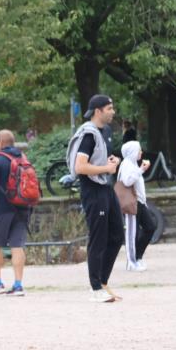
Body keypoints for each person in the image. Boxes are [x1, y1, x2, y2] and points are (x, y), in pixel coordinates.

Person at [67, 94, 123, 303]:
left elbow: (101, 160)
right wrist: (106, 168)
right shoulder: (88, 134)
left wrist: (112, 161)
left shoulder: (105, 131)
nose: (113, 111)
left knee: (117, 234)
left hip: (106, 188)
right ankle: (95, 287)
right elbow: (80, 166)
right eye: (109, 108)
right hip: (93, 190)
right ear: (98, 111)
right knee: (98, 237)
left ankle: (103, 282)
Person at [0, 130, 31, 296]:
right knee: (17, 245)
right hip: (23, 206)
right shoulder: (22, 158)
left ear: (0, 142)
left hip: (2, 208)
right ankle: (18, 284)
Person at [118, 141, 156, 272]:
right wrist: (141, 170)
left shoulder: (133, 164)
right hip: (131, 203)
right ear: (133, 152)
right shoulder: (127, 164)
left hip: (139, 202)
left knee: (150, 227)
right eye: (139, 150)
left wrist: (140, 170)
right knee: (131, 233)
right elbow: (127, 181)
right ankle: (131, 262)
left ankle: (138, 257)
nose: (141, 152)